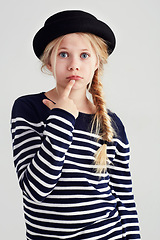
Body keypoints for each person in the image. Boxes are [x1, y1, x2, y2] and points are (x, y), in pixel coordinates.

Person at [11, 10, 141, 240]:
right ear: (48, 63)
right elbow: (34, 190)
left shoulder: (110, 124)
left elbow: (125, 199)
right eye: (63, 54)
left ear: (96, 64)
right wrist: (62, 118)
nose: (74, 65)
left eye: (84, 55)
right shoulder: (29, 109)